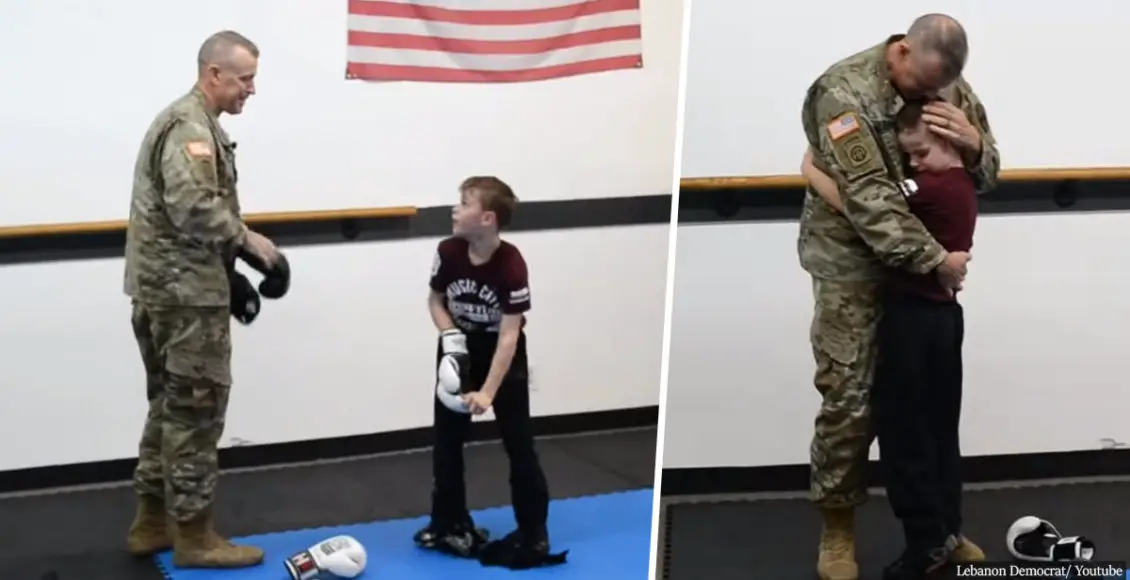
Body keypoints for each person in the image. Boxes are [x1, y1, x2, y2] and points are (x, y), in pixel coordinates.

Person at [797, 13, 1000, 580]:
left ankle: (938, 532)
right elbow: (872, 202)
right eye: (921, 88)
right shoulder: (843, 91)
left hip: (924, 274)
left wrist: (977, 144)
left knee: (929, 411)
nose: (931, 97)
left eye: (940, 90)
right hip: (853, 264)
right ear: (902, 51)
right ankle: (838, 527)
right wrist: (940, 262)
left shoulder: (947, 84)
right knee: (849, 398)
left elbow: (985, 171)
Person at [123, 30, 280, 568]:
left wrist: (228, 273)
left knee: (169, 409)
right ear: (214, 74)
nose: (251, 90)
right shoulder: (190, 126)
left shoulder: (188, 122)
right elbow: (192, 206)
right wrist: (248, 241)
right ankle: (194, 538)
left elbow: (177, 217)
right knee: (196, 414)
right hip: (184, 299)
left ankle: (152, 522)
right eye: (245, 79)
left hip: (169, 290)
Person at [414, 176, 554, 565]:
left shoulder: (511, 264)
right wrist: (452, 340)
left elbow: (509, 336)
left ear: (487, 218)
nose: (455, 210)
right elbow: (436, 301)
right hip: (459, 348)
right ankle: (448, 521)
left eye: (464, 203)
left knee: (518, 443)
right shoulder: (448, 251)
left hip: (501, 353)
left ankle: (533, 532)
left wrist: (488, 392)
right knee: (447, 441)